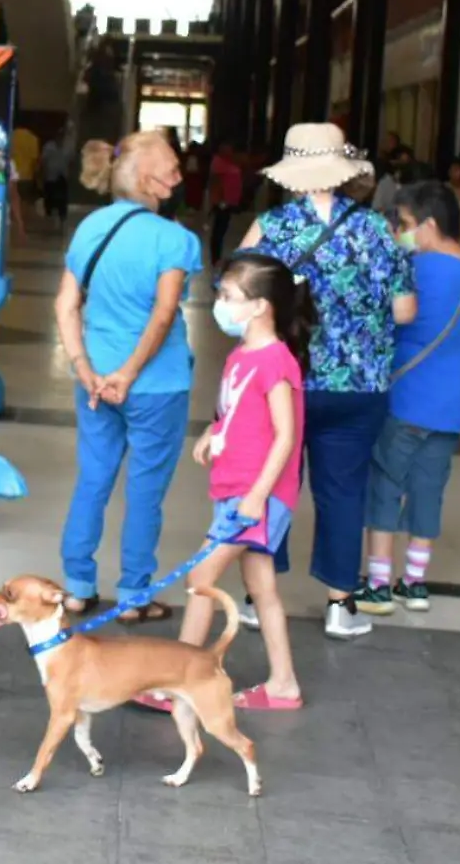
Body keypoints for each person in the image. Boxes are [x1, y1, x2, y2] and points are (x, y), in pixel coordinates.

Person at [240, 122, 416, 639]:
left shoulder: (269, 228)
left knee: (275, 485)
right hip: (358, 388)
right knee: (344, 491)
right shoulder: (377, 229)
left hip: (284, 382)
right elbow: (405, 311)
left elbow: (234, 297)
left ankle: (257, 597)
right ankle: (342, 605)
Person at [145, 251, 309, 712]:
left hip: (255, 498)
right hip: (237, 492)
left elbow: (286, 435)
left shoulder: (276, 360)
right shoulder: (242, 356)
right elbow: (237, 411)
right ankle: (284, 684)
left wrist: (257, 496)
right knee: (263, 590)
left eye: (230, 297)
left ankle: (180, 682)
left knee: (201, 578)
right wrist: (213, 432)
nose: (221, 304)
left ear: (260, 306)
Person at [53, 131, 201, 623]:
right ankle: (135, 594)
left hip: (94, 382)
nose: (180, 178)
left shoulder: (90, 227)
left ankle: (76, 586)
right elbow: (163, 315)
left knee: (92, 478)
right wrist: (129, 373)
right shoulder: (175, 240)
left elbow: (66, 305)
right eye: (173, 170)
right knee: (145, 491)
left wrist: (87, 370)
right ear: (148, 180)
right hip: (156, 386)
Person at [352, 181, 460, 616]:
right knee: (429, 490)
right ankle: (414, 583)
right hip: (453, 405)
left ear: (429, 224)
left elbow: (384, 325)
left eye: (406, 224)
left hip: (407, 398)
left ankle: (377, 584)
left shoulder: (413, 268)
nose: (400, 233)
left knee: (386, 486)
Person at [207, 141, 243, 263]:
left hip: (228, 202)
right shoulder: (219, 163)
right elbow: (215, 183)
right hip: (223, 203)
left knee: (222, 230)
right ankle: (215, 258)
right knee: (219, 231)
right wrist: (219, 200)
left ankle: (218, 256)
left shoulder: (229, 162)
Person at [38, 134, 70, 230]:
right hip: (50, 177)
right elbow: (42, 160)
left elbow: (70, 161)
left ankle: (62, 220)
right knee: (49, 199)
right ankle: (49, 221)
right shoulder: (49, 147)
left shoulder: (67, 147)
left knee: (62, 200)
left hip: (62, 177)